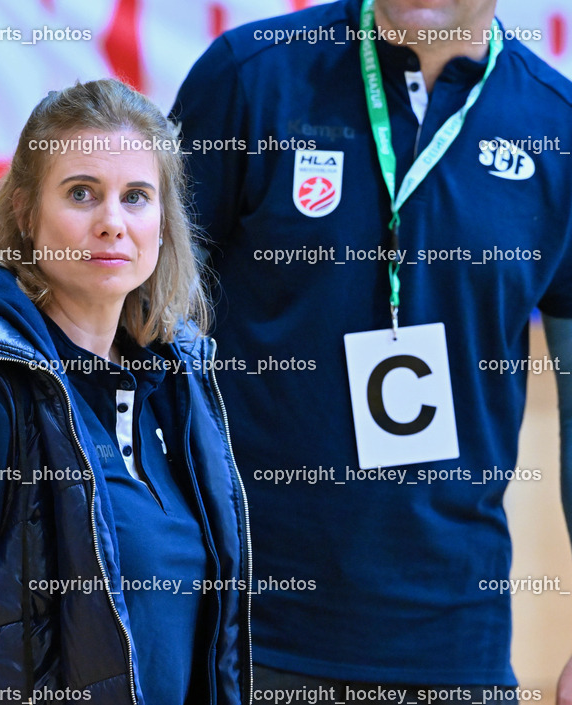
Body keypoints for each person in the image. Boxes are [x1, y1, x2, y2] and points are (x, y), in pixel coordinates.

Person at [171, 0, 572, 700]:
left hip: (457, 646)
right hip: (248, 634)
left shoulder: (557, 128)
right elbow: (141, 341)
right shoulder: (251, 79)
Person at [0, 78, 253, 705]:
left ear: (163, 224)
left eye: (137, 197)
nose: (113, 222)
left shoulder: (176, 390)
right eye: (82, 193)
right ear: (27, 215)